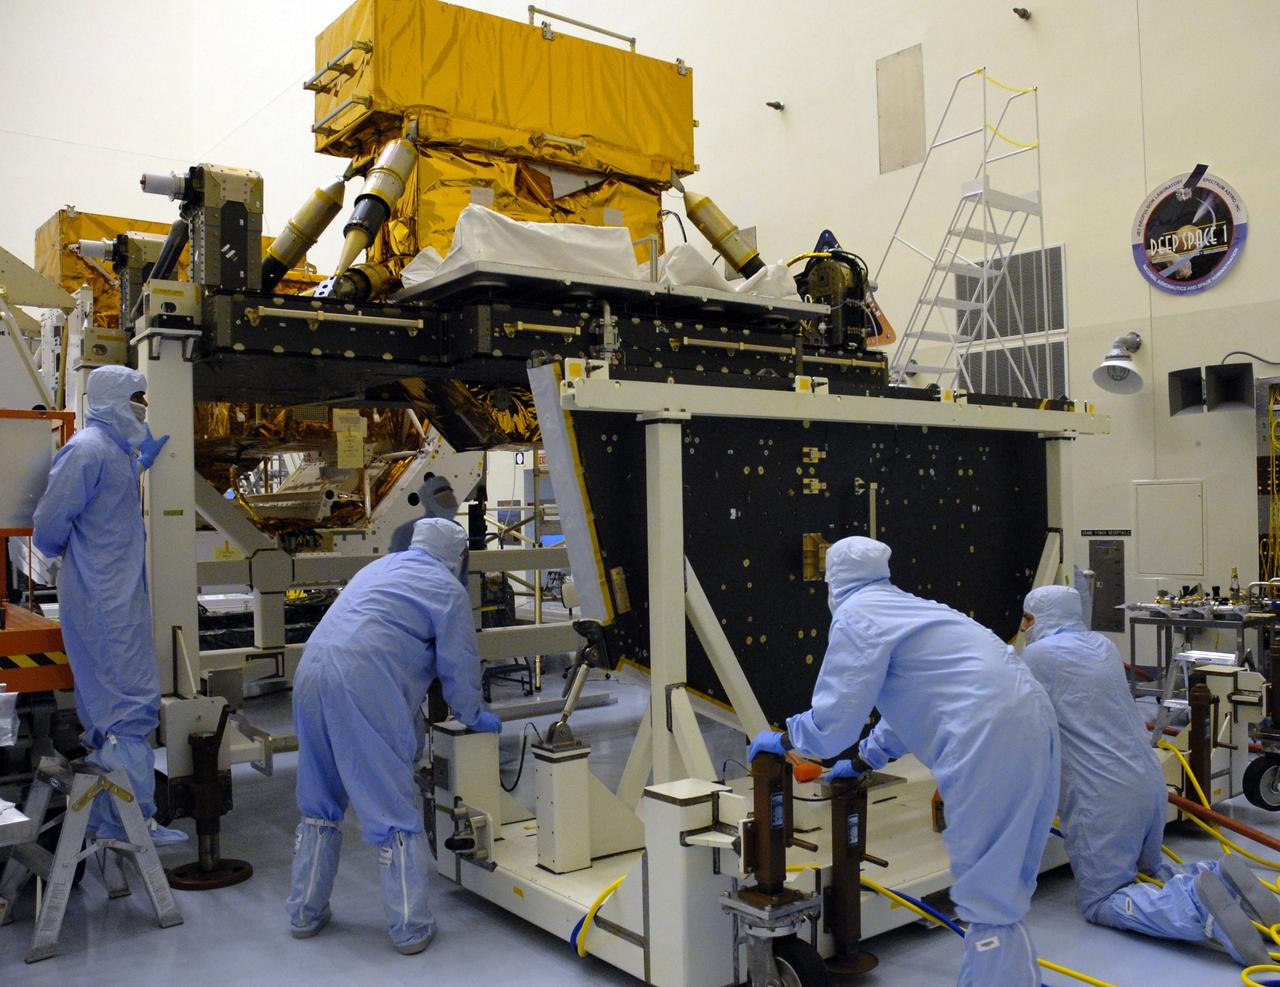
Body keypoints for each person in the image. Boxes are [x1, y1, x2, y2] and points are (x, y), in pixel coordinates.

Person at [749, 536, 1059, 987]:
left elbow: (833, 724)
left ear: (833, 581)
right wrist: (865, 761)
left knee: (986, 882)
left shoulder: (859, 617)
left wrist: (784, 736)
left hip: (986, 735)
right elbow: (916, 700)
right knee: (1007, 874)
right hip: (1032, 723)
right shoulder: (914, 607)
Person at [1019, 585, 1272, 966]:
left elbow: (1015, 719)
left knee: (1102, 899)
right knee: (1149, 870)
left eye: (1028, 618)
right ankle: (1216, 879)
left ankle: (1200, 915)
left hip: (1101, 797)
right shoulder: (1102, 647)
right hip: (1149, 784)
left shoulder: (1038, 656)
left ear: (1043, 618)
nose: (1023, 627)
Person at [286, 516, 501, 953]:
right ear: (457, 556)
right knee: (390, 805)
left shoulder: (378, 569)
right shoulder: (446, 589)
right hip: (363, 680)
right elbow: (457, 663)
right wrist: (473, 713)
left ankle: (304, 912)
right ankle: (410, 926)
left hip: (312, 672)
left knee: (319, 798)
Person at [31, 365, 183, 844]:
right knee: (123, 703)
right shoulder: (87, 449)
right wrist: (55, 553)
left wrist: (142, 463)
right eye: (136, 400)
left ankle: (107, 814)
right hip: (101, 596)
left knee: (124, 697)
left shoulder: (115, 452)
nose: (142, 408)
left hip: (118, 592)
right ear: (112, 399)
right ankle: (128, 820)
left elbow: (105, 498)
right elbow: (51, 519)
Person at [387, 474, 459, 552]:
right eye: (441, 492)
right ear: (428, 500)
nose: (448, 497)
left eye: (449, 491)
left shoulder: (457, 530)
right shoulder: (407, 531)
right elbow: (398, 561)